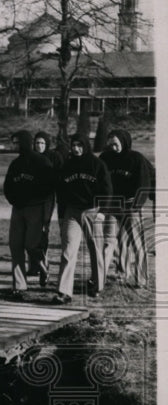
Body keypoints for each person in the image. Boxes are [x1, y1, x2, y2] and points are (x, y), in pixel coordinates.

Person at [52, 132, 111, 304]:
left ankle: (97, 286)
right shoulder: (67, 165)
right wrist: (62, 215)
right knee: (68, 251)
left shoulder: (97, 164)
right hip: (72, 212)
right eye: (74, 145)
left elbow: (107, 190)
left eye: (80, 145)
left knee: (95, 249)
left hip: (92, 210)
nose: (76, 149)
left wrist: (103, 211)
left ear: (86, 146)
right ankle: (64, 291)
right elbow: (61, 193)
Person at [3, 130, 54, 300]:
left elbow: (49, 186)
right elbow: (8, 186)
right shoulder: (15, 164)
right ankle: (19, 286)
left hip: (36, 208)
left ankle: (42, 265)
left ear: (25, 142)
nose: (15, 146)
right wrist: (14, 200)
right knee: (15, 245)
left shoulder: (42, 161)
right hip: (18, 209)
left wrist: (36, 201)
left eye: (17, 142)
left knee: (31, 245)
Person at [99, 129, 151, 288]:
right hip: (112, 206)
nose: (113, 148)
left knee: (137, 243)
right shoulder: (105, 158)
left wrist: (136, 203)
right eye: (110, 145)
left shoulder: (136, 159)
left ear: (124, 142)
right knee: (110, 242)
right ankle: (121, 273)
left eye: (116, 144)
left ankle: (141, 278)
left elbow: (144, 184)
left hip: (131, 208)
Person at [34, 131, 63, 286]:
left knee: (43, 230)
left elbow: (60, 178)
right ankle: (35, 265)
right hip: (31, 200)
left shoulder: (54, 157)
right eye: (37, 143)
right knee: (31, 233)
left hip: (47, 199)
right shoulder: (31, 157)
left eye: (42, 143)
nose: (39, 146)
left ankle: (43, 265)